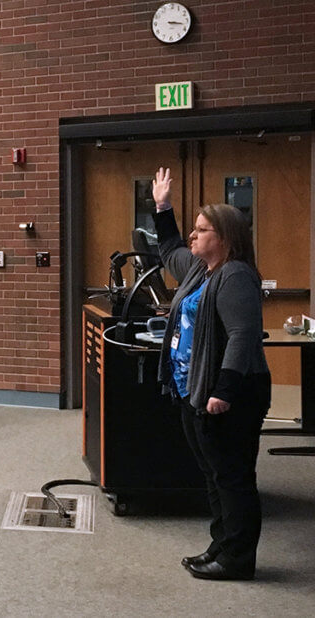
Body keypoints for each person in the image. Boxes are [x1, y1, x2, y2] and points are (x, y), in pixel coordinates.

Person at [152, 167, 271, 581]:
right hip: (198, 390)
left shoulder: (235, 274)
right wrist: (162, 206)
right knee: (213, 474)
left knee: (232, 477)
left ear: (224, 238)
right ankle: (220, 546)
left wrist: (223, 390)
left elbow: (242, 336)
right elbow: (168, 249)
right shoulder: (201, 270)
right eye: (194, 229)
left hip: (230, 392)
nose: (193, 236)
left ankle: (237, 558)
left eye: (202, 230)